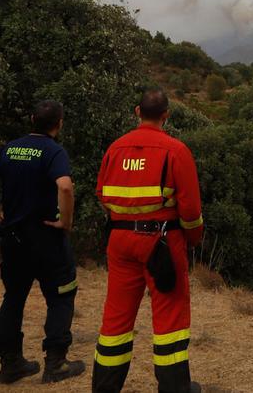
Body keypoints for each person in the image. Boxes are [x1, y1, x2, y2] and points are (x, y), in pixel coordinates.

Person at [93, 88, 205, 393]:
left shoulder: (115, 148)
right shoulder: (175, 150)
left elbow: (102, 193)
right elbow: (191, 210)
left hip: (119, 240)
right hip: (162, 242)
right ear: (166, 115)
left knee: (115, 319)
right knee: (170, 320)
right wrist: (192, 239)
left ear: (137, 111)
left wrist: (124, 219)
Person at [0, 99, 85, 384]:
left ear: (32, 120)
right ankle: (56, 364)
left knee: (13, 297)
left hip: (13, 238)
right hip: (47, 238)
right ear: (58, 123)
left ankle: (10, 364)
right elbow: (65, 186)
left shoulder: (10, 148)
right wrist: (67, 222)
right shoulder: (53, 151)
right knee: (61, 297)